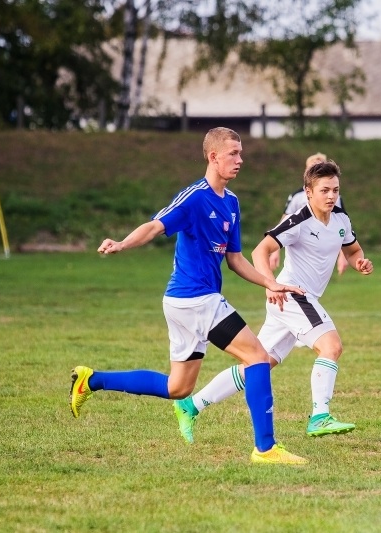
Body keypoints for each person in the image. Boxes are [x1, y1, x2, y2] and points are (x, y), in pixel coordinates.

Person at [69, 127, 308, 465]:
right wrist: (122, 243)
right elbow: (155, 225)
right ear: (213, 157)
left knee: (178, 388)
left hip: (189, 303)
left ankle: (91, 381)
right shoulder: (195, 197)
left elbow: (235, 259)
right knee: (257, 357)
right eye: (233, 154)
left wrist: (270, 282)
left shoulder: (233, 204)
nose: (240, 160)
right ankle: (266, 448)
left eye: (241, 153)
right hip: (196, 298)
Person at [173, 159, 373, 443]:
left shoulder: (341, 219)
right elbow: (260, 251)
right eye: (325, 190)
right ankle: (319, 416)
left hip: (297, 300)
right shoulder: (299, 221)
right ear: (308, 192)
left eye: (335, 190)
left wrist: (359, 262)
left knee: (260, 363)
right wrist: (271, 283)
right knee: (331, 346)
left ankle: (191, 405)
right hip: (293, 295)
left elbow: (352, 250)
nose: (331, 196)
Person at [269, 152, 349, 276]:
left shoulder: (334, 198)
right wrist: (275, 251)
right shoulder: (297, 197)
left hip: (324, 247)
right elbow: (285, 222)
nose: (330, 195)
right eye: (312, 168)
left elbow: (342, 226)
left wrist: (343, 256)